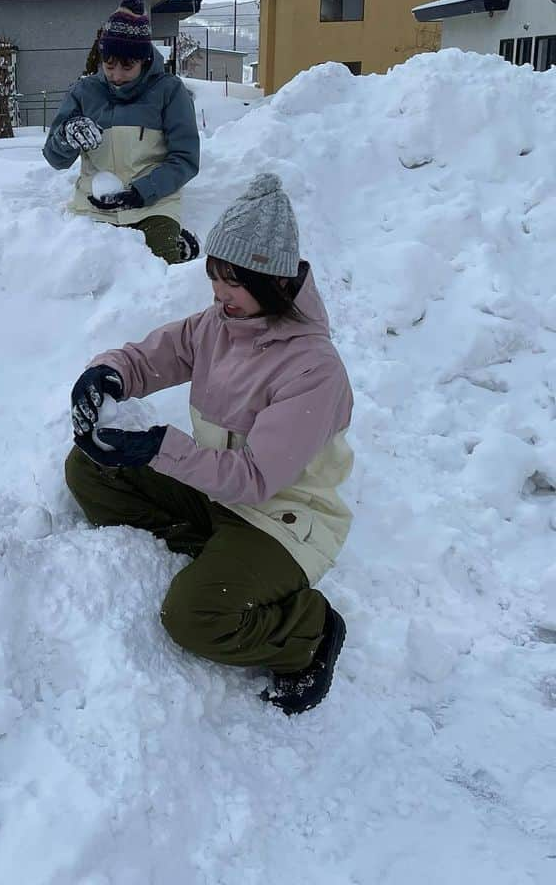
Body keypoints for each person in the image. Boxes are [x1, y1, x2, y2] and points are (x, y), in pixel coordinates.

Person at [64, 174, 354, 715]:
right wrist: (106, 375)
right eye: (216, 276)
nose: (219, 293)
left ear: (274, 282)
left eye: (234, 282)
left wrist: (156, 447)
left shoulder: (313, 368)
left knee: (194, 618)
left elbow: (255, 480)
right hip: (220, 498)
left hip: (283, 521)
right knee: (90, 470)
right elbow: (154, 357)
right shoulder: (219, 324)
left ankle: (309, 633)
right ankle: (216, 555)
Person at [43, 0, 202, 264]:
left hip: (153, 206)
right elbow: (55, 158)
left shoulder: (169, 91)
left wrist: (141, 192)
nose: (116, 75)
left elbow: (185, 159)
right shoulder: (84, 92)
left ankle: (174, 241)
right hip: (93, 208)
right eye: (109, 65)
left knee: (159, 269)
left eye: (127, 67)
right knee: (79, 272)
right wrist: (66, 135)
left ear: (144, 60)